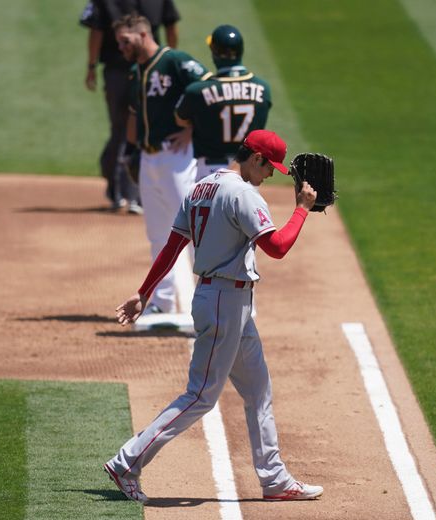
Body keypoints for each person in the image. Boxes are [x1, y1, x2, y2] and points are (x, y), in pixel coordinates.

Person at [105, 129, 324, 503]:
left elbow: (173, 246)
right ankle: (128, 461)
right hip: (224, 302)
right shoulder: (243, 194)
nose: (270, 175)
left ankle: (274, 479)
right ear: (254, 158)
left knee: (258, 391)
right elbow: (277, 247)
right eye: (269, 167)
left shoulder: (201, 187)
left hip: (227, 302)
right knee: (201, 396)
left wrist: (144, 293)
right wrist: (302, 209)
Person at [114, 14, 212, 314]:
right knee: (157, 232)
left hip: (177, 157)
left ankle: (209, 301)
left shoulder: (175, 61)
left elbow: (210, 91)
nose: (121, 47)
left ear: (143, 34)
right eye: (119, 43)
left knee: (194, 229)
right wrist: (131, 151)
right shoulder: (135, 73)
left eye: (125, 41)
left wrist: (191, 129)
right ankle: (162, 300)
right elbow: (133, 117)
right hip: (148, 159)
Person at [80, 0, 181, 213]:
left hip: (126, 71)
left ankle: (122, 195)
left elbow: (96, 30)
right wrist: (169, 61)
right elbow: (171, 27)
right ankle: (133, 195)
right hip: (141, 70)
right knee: (138, 129)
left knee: (122, 131)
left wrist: (91, 65)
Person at [176, 25, 273, 182]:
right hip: (246, 172)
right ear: (241, 51)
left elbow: (180, 119)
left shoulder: (197, 91)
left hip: (210, 173)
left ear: (214, 54)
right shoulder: (263, 89)